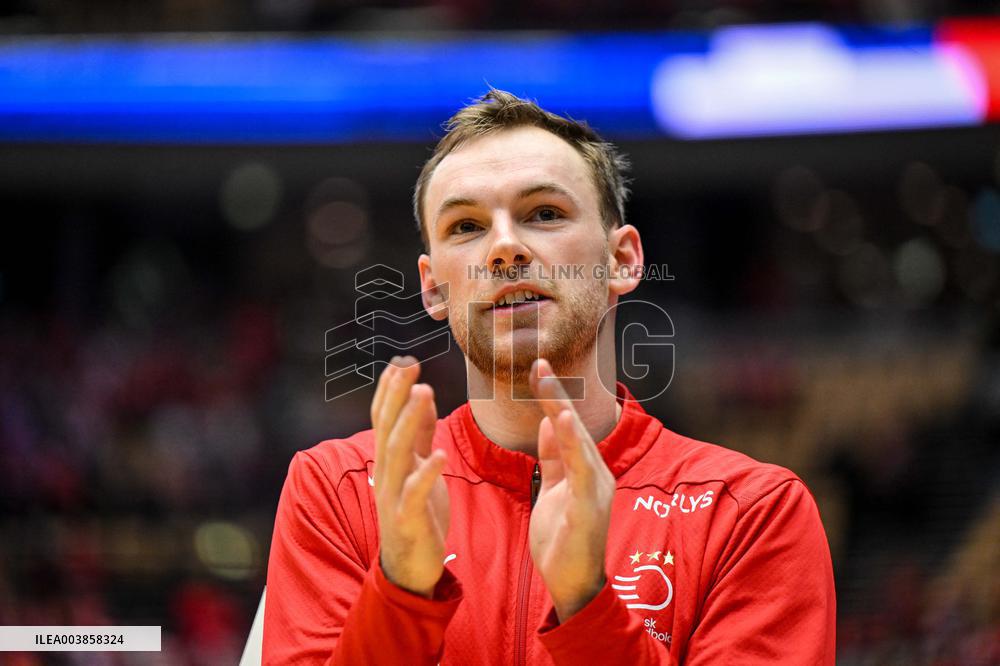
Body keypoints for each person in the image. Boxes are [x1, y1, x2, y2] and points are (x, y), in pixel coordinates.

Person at [262, 89, 836, 665]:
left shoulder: (749, 513)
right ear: (433, 286)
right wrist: (403, 588)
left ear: (623, 260)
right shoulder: (338, 490)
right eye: (466, 226)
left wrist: (588, 606)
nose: (505, 248)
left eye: (545, 214)